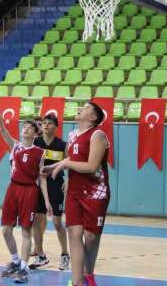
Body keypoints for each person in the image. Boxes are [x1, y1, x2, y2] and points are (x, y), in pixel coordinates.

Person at [41, 102, 110, 286]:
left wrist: (64, 164)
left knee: (91, 236)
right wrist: (54, 166)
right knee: (74, 232)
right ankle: (78, 281)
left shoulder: (98, 135)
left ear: (93, 117)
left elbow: (91, 166)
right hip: (74, 192)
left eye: (86, 107)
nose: (80, 108)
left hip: (96, 192)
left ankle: (89, 274)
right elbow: (73, 158)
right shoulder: (72, 134)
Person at [0, 110, 50, 284]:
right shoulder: (15, 146)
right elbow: (2, 129)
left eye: (29, 128)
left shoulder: (40, 152)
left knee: (26, 231)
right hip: (13, 189)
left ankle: (24, 268)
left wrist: (47, 201)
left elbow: (42, 179)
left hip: (29, 191)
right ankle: (15, 260)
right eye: (24, 127)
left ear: (36, 133)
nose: (26, 129)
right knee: (5, 229)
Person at [30, 114, 70, 271]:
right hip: (39, 184)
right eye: (44, 123)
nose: (46, 125)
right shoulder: (36, 143)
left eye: (50, 123)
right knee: (37, 221)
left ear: (56, 126)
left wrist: (68, 180)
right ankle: (40, 256)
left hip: (56, 184)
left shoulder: (62, 145)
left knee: (56, 221)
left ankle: (65, 254)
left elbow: (69, 163)